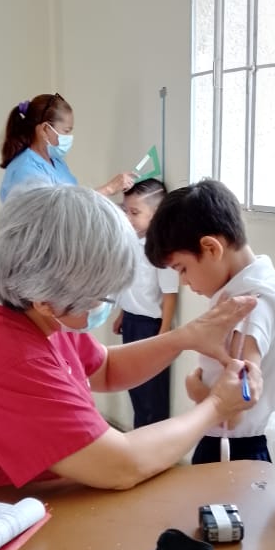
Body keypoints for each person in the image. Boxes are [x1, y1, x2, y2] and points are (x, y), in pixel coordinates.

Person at [0, 183, 261, 492]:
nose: (102, 305)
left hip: (31, 499)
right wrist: (216, 406)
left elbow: (105, 368)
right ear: (46, 300)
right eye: (99, 297)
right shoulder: (7, 354)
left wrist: (185, 337)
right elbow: (121, 466)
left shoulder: (29, 301)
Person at [145, 178, 275, 464]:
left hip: (239, 451)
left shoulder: (250, 307)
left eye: (182, 268)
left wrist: (198, 392)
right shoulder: (252, 288)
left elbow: (239, 403)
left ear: (211, 248)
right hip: (238, 443)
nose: (183, 281)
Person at [113, 179, 179, 427]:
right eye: (125, 210)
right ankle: (138, 436)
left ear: (155, 215)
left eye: (135, 212)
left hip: (150, 328)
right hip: (131, 323)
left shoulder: (159, 249)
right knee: (135, 387)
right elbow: (130, 285)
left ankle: (153, 440)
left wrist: (163, 334)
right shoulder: (130, 242)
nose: (127, 218)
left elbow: (170, 294)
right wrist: (122, 314)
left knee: (152, 393)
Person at [0, 92, 135, 201]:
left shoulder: (56, 162)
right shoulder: (25, 170)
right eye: (66, 131)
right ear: (45, 129)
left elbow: (74, 199)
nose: (69, 137)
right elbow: (54, 213)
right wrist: (109, 189)